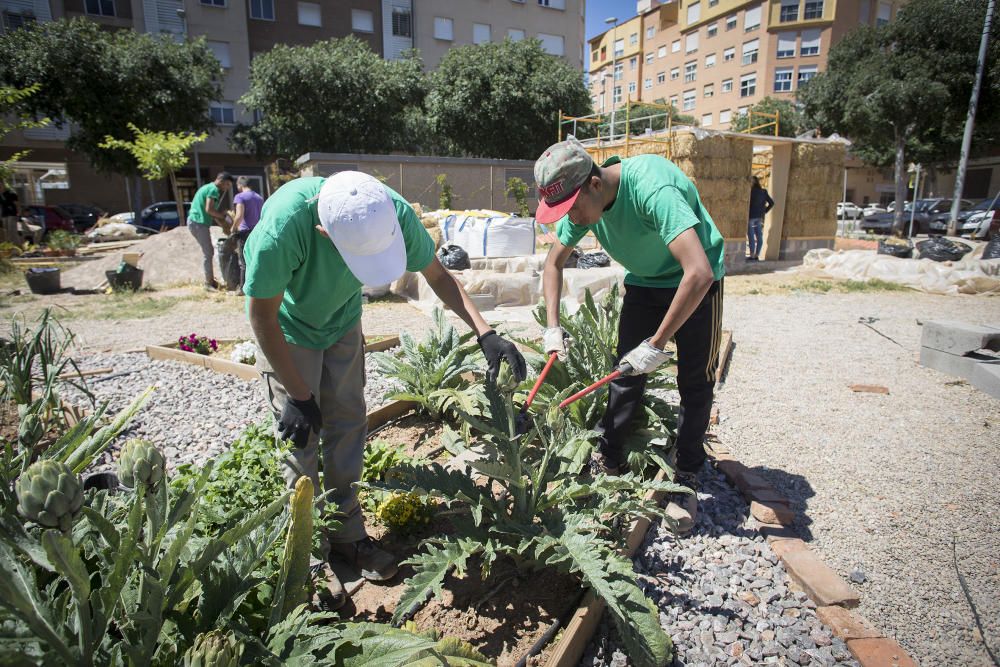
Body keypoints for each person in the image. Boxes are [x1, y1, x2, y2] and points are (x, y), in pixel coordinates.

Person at [242, 170, 526, 609]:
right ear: (324, 231)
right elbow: (261, 315)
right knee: (300, 444)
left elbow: (438, 275)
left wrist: (485, 332)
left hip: (341, 321)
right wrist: (298, 395)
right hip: (288, 330)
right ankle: (307, 559)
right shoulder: (282, 227)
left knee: (349, 423)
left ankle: (347, 536)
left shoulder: (387, 209)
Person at [534, 136, 725, 535]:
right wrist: (552, 327)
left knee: (694, 382)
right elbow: (553, 265)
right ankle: (610, 457)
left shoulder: (652, 187)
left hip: (696, 284)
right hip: (644, 283)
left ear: (595, 184)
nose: (573, 219)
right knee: (624, 376)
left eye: (572, 209)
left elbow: (699, 272)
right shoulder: (583, 200)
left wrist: (656, 345)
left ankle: (686, 472)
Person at [187, 172, 234, 289]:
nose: (227, 188)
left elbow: (213, 214)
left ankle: (210, 281)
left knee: (208, 252)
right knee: (208, 253)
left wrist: (224, 226)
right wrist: (225, 218)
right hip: (198, 222)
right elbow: (209, 210)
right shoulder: (214, 190)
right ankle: (208, 283)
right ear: (221, 181)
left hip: (196, 222)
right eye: (227, 185)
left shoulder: (208, 188)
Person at [231, 176, 264, 295]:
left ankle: (243, 289)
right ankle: (257, 285)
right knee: (255, 259)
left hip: (245, 232)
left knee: (243, 261)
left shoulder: (239, 197)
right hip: (257, 232)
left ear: (240, 185)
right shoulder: (259, 197)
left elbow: (239, 215)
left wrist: (233, 228)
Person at [747, 176, 774, 261]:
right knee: (759, 236)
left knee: (751, 237)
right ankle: (757, 255)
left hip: (751, 217)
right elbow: (772, 203)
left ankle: (751, 255)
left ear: (753, 183)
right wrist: (764, 211)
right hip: (759, 217)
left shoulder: (750, 192)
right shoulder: (764, 192)